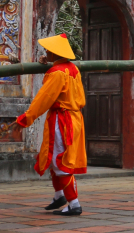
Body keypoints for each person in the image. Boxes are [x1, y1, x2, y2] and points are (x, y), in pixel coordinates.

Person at [12, 34, 87, 216]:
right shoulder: (71, 69)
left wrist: (25, 119)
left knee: (60, 161)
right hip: (72, 118)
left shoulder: (57, 73)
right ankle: (59, 195)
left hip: (62, 120)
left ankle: (74, 203)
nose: (45, 52)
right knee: (54, 158)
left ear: (54, 53)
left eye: (48, 51)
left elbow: (43, 99)